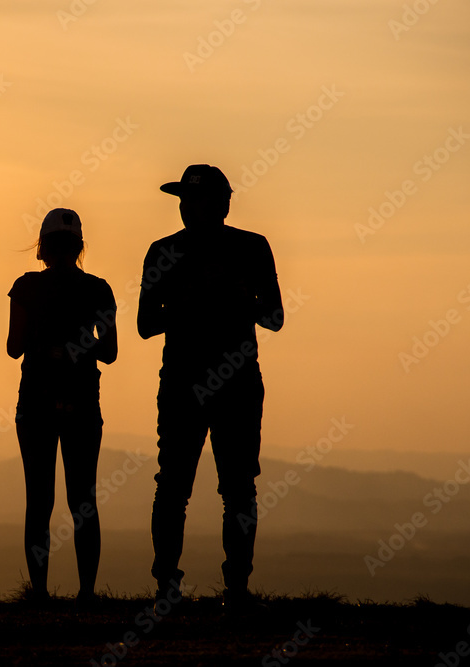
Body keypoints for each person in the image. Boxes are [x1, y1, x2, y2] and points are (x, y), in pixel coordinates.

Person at [137, 164, 283, 610]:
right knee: (178, 486)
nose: (185, 207)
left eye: (193, 199)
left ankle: (234, 587)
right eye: (182, 199)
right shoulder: (164, 251)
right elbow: (145, 324)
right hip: (187, 384)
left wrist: (240, 297)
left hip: (232, 386)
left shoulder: (252, 248)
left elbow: (274, 317)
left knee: (235, 487)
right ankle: (171, 587)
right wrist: (191, 302)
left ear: (220, 204)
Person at [7, 208, 118, 602]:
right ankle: (86, 592)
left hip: (35, 401)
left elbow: (13, 347)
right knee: (83, 498)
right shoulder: (99, 289)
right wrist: (75, 348)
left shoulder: (25, 287)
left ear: (42, 248)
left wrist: (48, 348)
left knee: (39, 499)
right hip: (83, 400)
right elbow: (110, 352)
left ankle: (38, 592)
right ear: (79, 247)